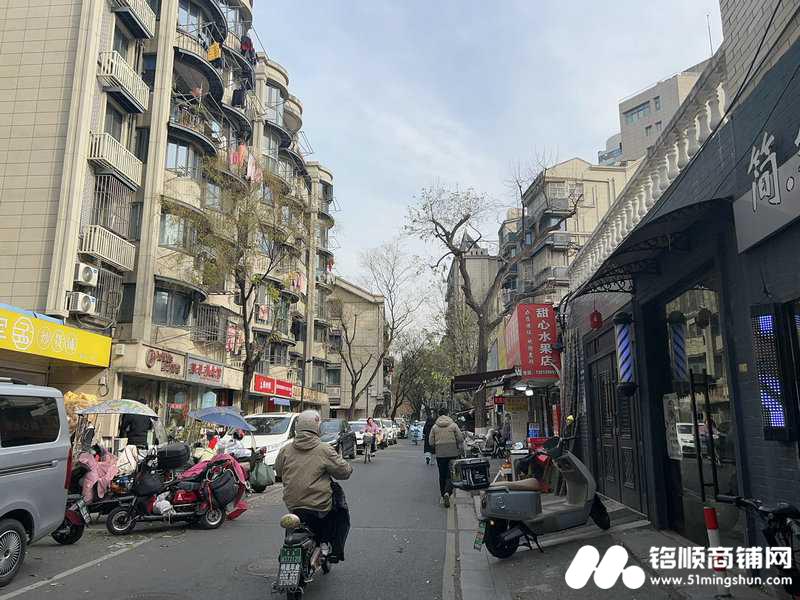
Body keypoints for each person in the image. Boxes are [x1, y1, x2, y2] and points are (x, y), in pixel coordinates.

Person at [274, 410, 353, 562]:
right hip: (318, 505)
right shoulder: (324, 449)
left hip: (293, 504)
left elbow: (278, 471)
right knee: (337, 512)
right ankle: (325, 544)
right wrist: (347, 467)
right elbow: (343, 472)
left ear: (297, 427)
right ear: (317, 428)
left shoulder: (286, 449)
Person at [428, 407, 464, 507]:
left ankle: (443, 494)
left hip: (440, 454)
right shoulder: (453, 425)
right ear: (447, 414)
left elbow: (430, 442)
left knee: (442, 475)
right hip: (452, 453)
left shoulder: (435, 427)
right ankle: (448, 492)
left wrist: (436, 445)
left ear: (438, 415)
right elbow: (460, 438)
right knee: (451, 474)